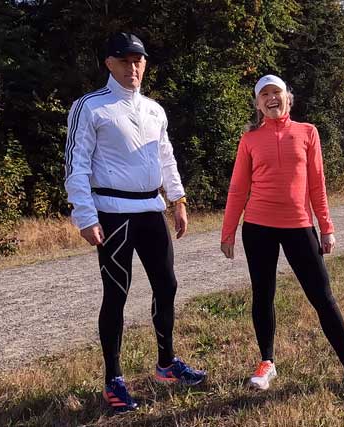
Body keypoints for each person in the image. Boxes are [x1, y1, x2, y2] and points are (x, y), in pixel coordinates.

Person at [64, 32, 206, 414]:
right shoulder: (90, 107)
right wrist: (84, 215)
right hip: (113, 214)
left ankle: (166, 363)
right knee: (117, 294)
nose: (133, 68)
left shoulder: (154, 110)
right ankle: (113, 379)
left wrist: (177, 200)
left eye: (139, 61)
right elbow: (75, 165)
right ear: (109, 63)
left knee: (168, 285)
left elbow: (166, 157)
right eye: (125, 61)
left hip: (151, 210)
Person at [220, 75, 344, 397]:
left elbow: (316, 184)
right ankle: (267, 362)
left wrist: (327, 227)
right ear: (257, 104)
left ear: (288, 98)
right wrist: (228, 232)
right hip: (258, 227)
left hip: (298, 226)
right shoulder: (249, 139)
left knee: (322, 296)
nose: (270, 98)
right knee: (262, 296)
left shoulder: (307, 132)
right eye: (263, 94)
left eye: (276, 92)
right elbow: (238, 187)